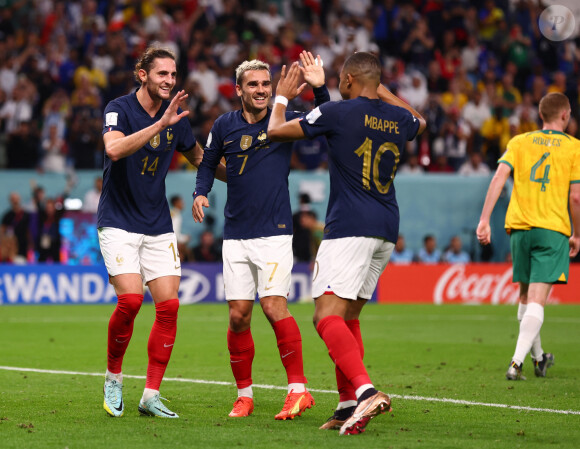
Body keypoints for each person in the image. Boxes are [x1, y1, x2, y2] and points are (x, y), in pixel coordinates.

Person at [267, 52, 426, 435]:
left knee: (325, 316)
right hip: (386, 227)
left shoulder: (340, 113)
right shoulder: (398, 117)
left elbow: (276, 130)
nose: (337, 84)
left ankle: (366, 390)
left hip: (349, 227)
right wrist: (362, 87)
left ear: (351, 79)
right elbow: (418, 120)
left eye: (341, 79)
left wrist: (283, 98)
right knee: (348, 317)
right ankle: (346, 404)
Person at [192, 52, 329, 420]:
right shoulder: (223, 125)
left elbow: (326, 120)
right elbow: (207, 162)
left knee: (273, 306)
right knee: (238, 316)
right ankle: (244, 396)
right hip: (235, 233)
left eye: (266, 84)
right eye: (253, 84)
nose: (261, 90)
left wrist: (319, 89)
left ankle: (299, 391)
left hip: (274, 232)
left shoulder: (282, 122)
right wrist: (200, 192)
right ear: (238, 90)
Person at [98, 46, 225, 419]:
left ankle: (150, 395)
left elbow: (200, 158)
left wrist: (245, 175)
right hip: (119, 220)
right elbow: (115, 149)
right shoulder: (118, 108)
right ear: (143, 74)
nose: (170, 80)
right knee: (132, 302)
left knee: (168, 306)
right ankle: (113, 379)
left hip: (157, 224)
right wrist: (160, 124)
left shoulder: (177, 118)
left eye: (173, 74)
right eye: (161, 74)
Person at [476, 92, 580, 380]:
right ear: (565, 115)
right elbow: (576, 197)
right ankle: (516, 362)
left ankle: (538, 359)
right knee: (537, 299)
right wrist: (578, 234)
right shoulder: (574, 148)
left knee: (525, 297)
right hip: (552, 229)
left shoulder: (519, 142)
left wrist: (485, 219)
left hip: (520, 229)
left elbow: (498, 177)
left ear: (540, 114)